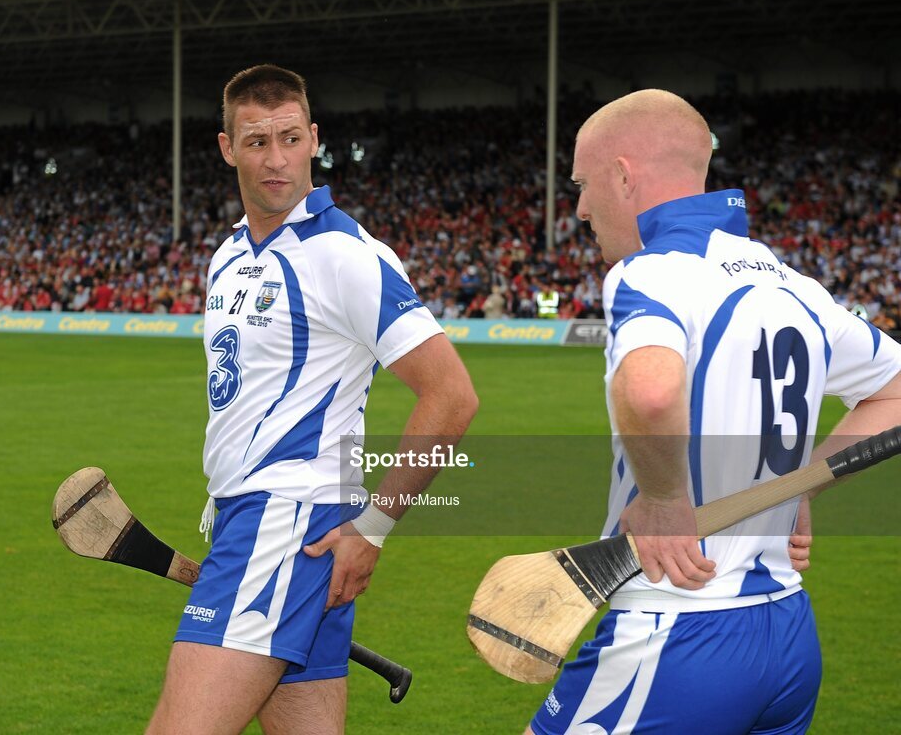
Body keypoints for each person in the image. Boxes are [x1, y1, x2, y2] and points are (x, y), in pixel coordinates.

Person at [528, 89, 901, 735]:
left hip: (676, 630)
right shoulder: (794, 286)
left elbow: (649, 390)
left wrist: (664, 494)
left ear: (623, 175)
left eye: (583, 185)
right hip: (786, 634)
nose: (581, 208)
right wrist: (797, 483)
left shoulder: (651, 272)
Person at [147, 65, 478, 734]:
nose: (276, 160)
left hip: (287, 521)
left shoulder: (344, 255)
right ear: (226, 148)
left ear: (314, 139)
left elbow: (451, 395)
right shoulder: (229, 255)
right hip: (259, 524)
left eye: (290, 138)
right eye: (257, 141)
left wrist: (374, 528)